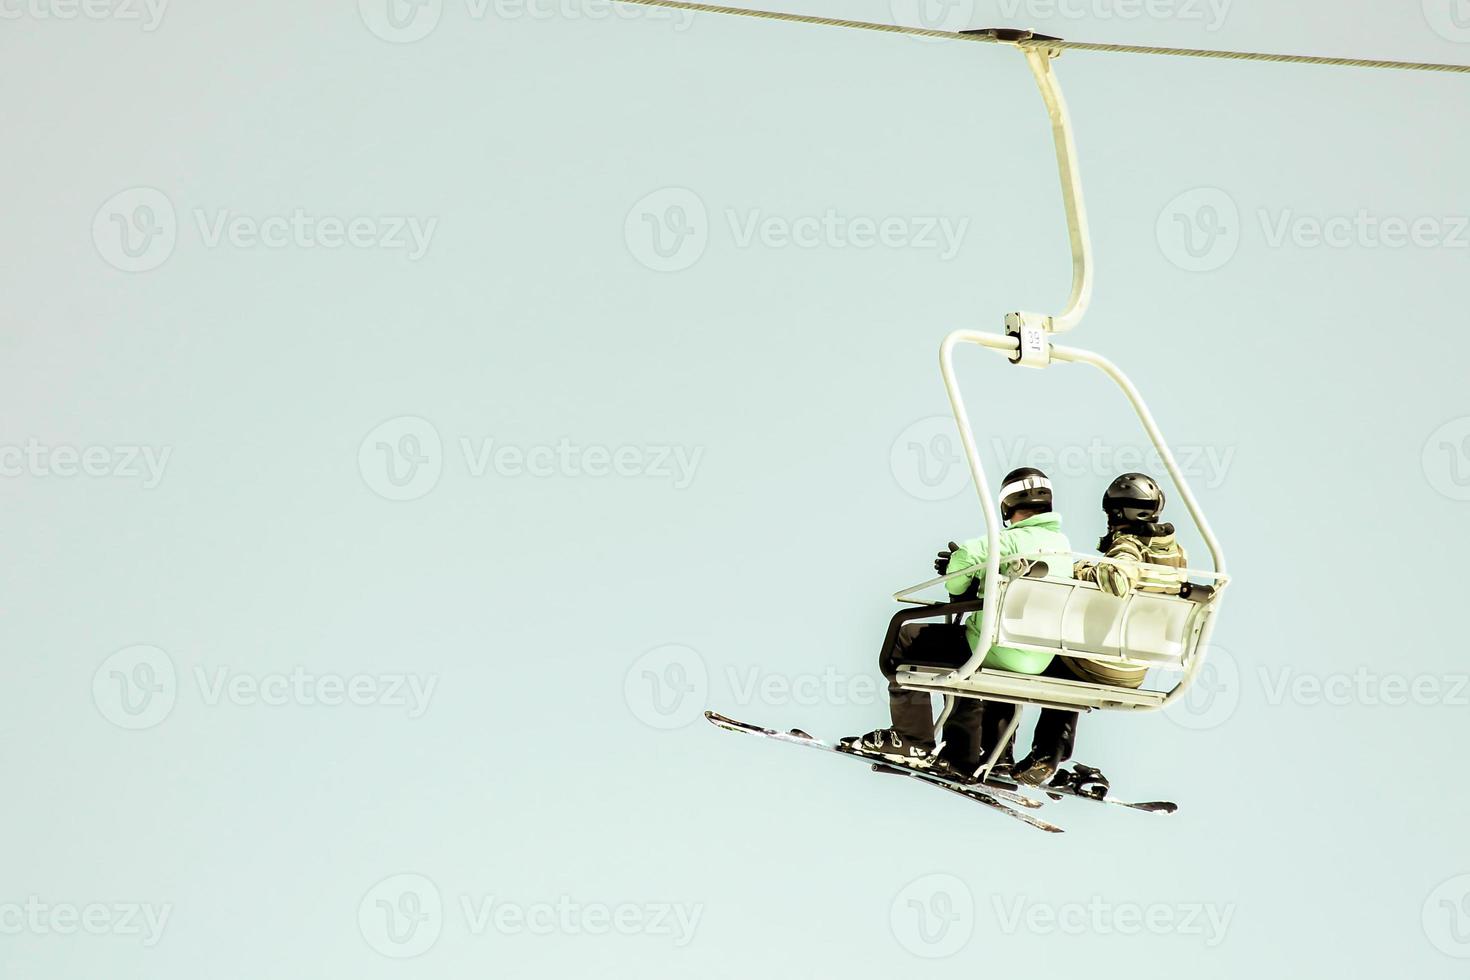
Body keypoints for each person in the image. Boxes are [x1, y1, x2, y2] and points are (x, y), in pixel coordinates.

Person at [843, 467, 1072, 774]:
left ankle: (912, 738)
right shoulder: (1064, 548)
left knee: (908, 635)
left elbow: (958, 576)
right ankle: (980, 753)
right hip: (1039, 658)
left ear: (1007, 505)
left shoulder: (1006, 541)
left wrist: (956, 567)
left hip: (993, 650)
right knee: (971, 656)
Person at [1009, 472, 1190, 785]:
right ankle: (1053, 753)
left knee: (1028, 657)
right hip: (1136, 668)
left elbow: (1117, 579)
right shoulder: (1175, 554)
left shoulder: (1130, 548)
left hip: (1103, 662)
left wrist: (1086, 571)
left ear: (1119, 513)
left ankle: (1026, 754)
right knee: (1070, 667)